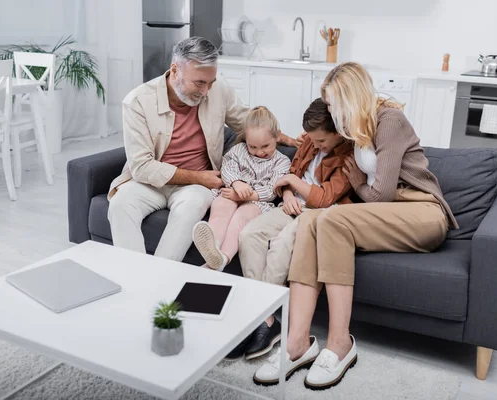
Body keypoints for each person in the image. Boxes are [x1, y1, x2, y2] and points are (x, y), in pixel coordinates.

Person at [253, 62, 458, 390]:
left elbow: (382, 194)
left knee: (330, 219)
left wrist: (359, 182)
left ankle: (340, 344)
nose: (331, 110)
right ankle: (297, 343)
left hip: (421, 211)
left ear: (351, 98)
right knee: (310, 220)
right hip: (385, 214)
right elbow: (316, 145)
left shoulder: (389, 121)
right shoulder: (353, 127)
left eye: (333, 102)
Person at [107, 37, 297, 261]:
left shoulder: (219, 91)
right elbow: (141, 167)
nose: (206, 91)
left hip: (193, 188)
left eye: (211, 82)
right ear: (175, 70)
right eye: (199, 83)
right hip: (151, 183)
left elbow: (248, 122)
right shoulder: (137, 102)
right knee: (120, 204)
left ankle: (161, 274)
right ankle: (133, 276)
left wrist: (281, 137)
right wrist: (200, 177)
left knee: (193, 206)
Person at [228, 98, 355, 363]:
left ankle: (263, 318)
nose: (315, 145)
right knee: (249, 235)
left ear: (337, 133)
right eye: (312, 140)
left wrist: (291, 183)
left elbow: (325, 198)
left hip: (318, 214)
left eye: (321, 142)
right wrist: (286, 194)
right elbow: (289, 173)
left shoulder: (348, 154)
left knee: (282, 245)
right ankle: (264, 316)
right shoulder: (309, 139)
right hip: (291, 205)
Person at [191, 106, 291, 271]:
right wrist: (236, 183)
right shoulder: (238, 150)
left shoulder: (282, 162)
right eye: (253, 147)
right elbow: (227, 168)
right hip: (232, 191)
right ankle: (213, 246)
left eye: (265, 146)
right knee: (221, 208)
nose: (259, 152)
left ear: (277, 137)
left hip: (256, 202)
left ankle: (222, 258)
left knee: (241, 218)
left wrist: (248, 195)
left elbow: (273, 190)